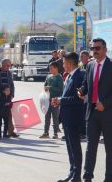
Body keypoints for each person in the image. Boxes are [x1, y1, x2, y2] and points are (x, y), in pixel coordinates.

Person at [80, 38, 112, 182]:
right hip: (92, 112)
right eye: (93, 48)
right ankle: (87, 176)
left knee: (109, 149)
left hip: (108, 113)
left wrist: (105, 103)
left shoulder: (111, 66)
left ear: (105, 49)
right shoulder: (90, 65)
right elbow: (86, 85)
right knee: (90, 147)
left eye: (98, 48)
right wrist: (81, 90)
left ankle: (108, 177)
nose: (95, 51)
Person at [52, 52, 85, 182]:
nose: (63, 65)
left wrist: (61, 100)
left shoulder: (80, 76)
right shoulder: (69, 76)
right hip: (66, 117)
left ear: (70, 63)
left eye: (64, 63)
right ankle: (72, 173)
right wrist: (58, 100)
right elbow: (66, 96)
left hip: (74, 117)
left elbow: (78, 99)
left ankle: (77, 176)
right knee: (70, 147)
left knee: (75, 148)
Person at [0, 59, 19, 138]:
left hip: (7, 96)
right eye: (7, 66)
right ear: (2, 64)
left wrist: (12, 94)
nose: (9, 67)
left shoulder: (8, 73)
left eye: (9, 66)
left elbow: (12, 85)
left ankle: (9, 132)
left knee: (8, 116)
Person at [40, 61, 63, 139]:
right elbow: (45, 84)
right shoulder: (48, 76)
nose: (50, 70)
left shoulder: (59, 78)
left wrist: (51, 88)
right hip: (47, 100)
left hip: (55, 101)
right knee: (47, 118)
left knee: (55, 118)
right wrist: (45, 88)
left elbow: (60, 89)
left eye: (51, 68)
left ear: (56, 68)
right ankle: (46, 133)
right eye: (49, 68)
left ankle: (55, 133)